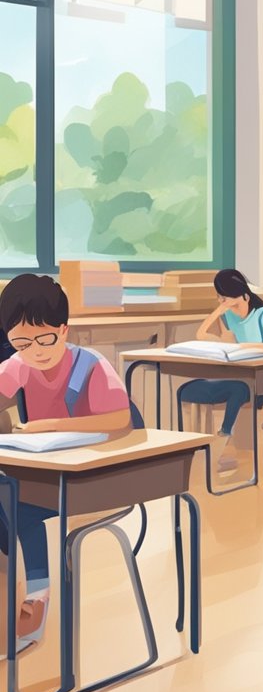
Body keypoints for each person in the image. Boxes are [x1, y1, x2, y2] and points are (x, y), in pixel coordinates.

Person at [0, 274, 133, 656]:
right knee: (11, 502)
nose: (35, 351)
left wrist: (53, 423)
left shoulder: (91, 366)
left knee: (19, 508)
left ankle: (36, 597)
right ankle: (20, 602)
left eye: (45, 339)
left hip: (95, 477)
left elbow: (118, 419)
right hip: (45, 473)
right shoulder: (19, 364)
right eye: (21, 342)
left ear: (64, 329)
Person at [180, 270, 263, 472]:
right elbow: (202, 335)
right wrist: (218, 312)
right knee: (196, 389)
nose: (223, 302)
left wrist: (244, 347)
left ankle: (224, 437)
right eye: (219, 297)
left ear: (243, 294)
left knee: (237, 390)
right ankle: (200, 449)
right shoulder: (228, 315)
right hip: (241, 374)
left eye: (226, 297)